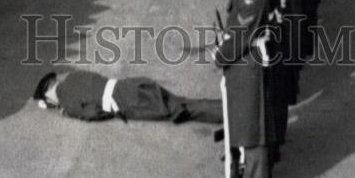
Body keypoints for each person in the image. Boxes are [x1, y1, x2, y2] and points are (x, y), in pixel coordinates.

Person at [214, 0, 278, 178]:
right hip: (242, 64)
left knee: (255, 128)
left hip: (247, 63)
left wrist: (220, 55)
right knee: (246, 124)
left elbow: (240, 35)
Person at [33, 70, 223, 123]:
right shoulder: (74, 76)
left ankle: (231, 114)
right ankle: (230, 108)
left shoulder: (66, 101)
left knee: (183, 109)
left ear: (49, 95)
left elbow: (91, 113)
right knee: (182, 103)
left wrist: (109, 113)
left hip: (128, 103)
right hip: (130, 85)